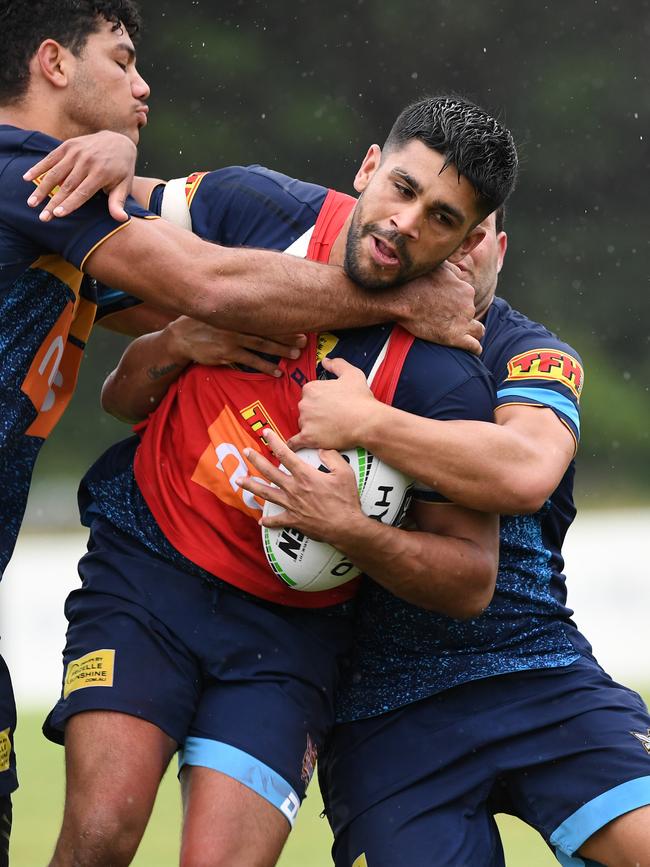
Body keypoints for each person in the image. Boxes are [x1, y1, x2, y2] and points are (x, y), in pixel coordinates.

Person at [0, 0, 483, 854]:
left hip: (283, 631)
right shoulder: (26, 178)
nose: (144, 84)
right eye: (123, 59)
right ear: (53, 62)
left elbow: (172, 305)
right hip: (149, 574)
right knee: (101, 828)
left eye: (442, 218)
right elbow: (211, 285)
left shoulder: (71, 209)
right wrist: (405, 292)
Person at [248, 208, 650, 866]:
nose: (458, 250)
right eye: (445, 225)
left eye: (475, 234)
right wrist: (177, 340)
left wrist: (369, 423)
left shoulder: (529, 353)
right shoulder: (325, 332)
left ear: (501, 248)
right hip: (381, 713)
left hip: (538, 673)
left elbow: (527, 467)